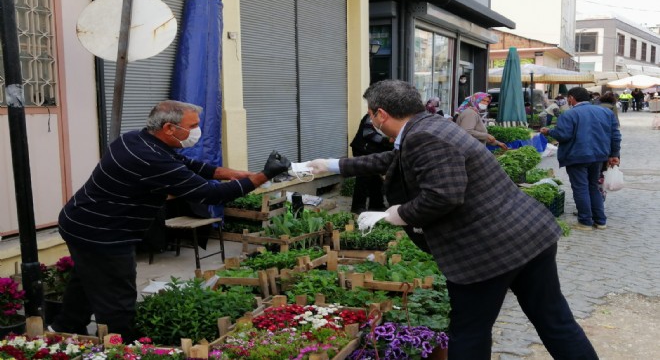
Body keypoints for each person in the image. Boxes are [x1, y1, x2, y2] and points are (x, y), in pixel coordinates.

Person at [307, 79, 599, 359]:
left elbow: (444, 196)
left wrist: (396, 214)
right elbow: (392, 161)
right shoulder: (430, 126)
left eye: (370, 114)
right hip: (529, 234)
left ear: (381, 114)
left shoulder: (423, 136)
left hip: (487, 251)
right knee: (554, 320)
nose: (371, 120)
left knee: (469, 333)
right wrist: (332, 165)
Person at [51, 100, 291, 341]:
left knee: (87, 277)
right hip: (102, 232)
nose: (198, 131)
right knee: (117, 297)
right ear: (169, 128)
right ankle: (123, 346)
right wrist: (264, 176)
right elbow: (211, 194)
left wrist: (239, 174)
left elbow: (190, 165)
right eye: (193, 125)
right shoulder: (150, 158)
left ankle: (65, 326)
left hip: (80, 219)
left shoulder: (136, 139)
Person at [540, 87, 621, 231]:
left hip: (577, 156)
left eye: (568, 99)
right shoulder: (606, 112)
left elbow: (563, 135)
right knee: (593, 186)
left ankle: (585, 222)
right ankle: (600, 221)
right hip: (599, 156)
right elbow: (615, 135)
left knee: (581, 188)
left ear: (571, 98)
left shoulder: (569, 114)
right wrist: (614, 154)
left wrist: (549, 131)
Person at [349, 113, 392, 213]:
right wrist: (386, 141)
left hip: (375, 150)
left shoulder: (391, 114)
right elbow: (368, 133)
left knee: (376, 178)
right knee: (363, 179)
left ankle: (376, 205)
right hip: (363, 149)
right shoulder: (374, 114)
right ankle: (357, 207)